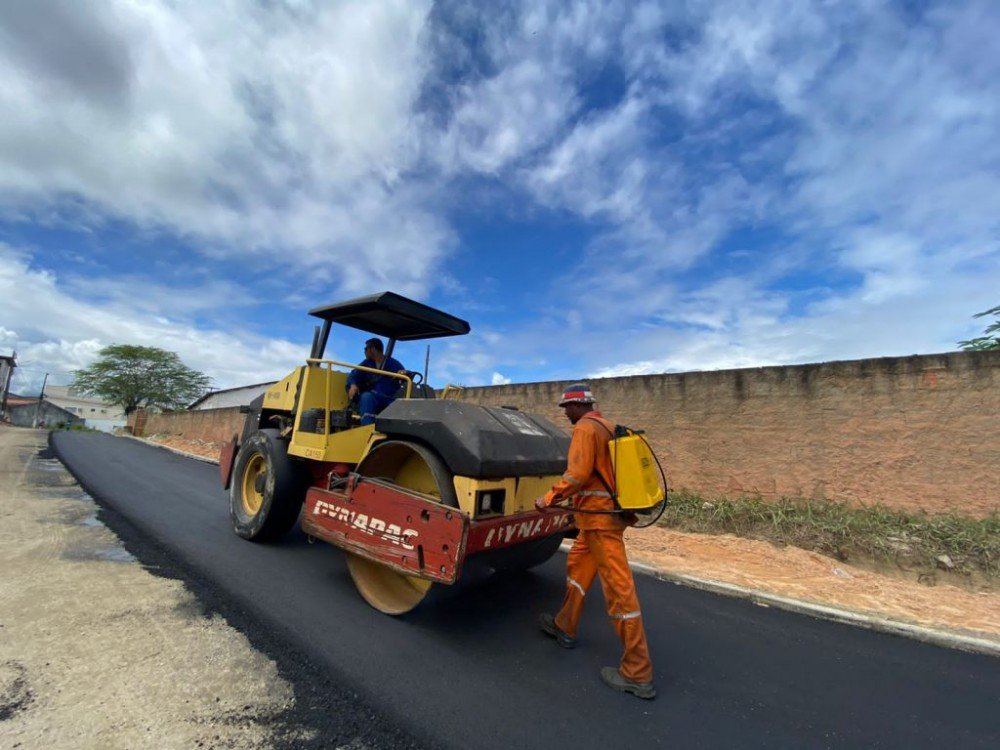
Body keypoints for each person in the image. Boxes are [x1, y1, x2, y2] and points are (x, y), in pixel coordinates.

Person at [535, 383, 656, 700]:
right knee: (577, 568)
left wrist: (547, 498)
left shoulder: (585, 430)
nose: (565, 414)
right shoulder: (608, 426)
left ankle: (637, 672)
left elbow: (576, 474)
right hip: (593, 521)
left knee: (619, 590)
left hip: (602, 522)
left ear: (578, 406)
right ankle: (565, 625)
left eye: (566, 408)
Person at [346, 338, 406, 426]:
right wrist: (353, 384)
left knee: (401, 405)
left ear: (373, 349)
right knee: (366, 397)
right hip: (372, 397)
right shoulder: (366, 364)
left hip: (388, 398)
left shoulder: (393, 364)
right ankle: (367, 429)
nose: (364, 351)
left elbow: (404, 378)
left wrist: (405, 374)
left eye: (366, 349)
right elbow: (354, 375)